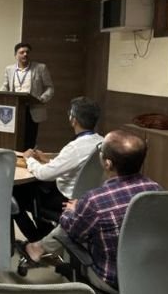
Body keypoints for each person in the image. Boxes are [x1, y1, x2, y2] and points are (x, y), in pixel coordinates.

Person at [21, 129, 161, 292]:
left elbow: (71, 230)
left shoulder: (96, 200)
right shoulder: (155, 189)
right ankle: (37, 248)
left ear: (107, 164)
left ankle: (36, 248)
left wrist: (73, 211)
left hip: (112, 279)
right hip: (150, 273)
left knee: (72, 226)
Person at [12, 97, 103, 243]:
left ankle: (36, 241)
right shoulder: (102, 142)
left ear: (73, 119)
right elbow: (73, 165)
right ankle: (46, 233)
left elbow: (44, 174)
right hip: (86, 197)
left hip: (66, 199)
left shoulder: (75, 147)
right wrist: (47, 160)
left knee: (15, 193)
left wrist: (29, 159)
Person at [1, 42, 54, 149]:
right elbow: (5, 86)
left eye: (27, 52)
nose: (25, 54)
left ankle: (28, 157)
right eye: (22, 52)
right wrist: (0, 96)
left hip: (32, 109)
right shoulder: (9, 69)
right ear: (15, 55)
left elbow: (50, 87)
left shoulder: (40, 68)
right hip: (15, 109)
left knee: (29, 141)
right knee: (14, 140)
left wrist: (42, 98)